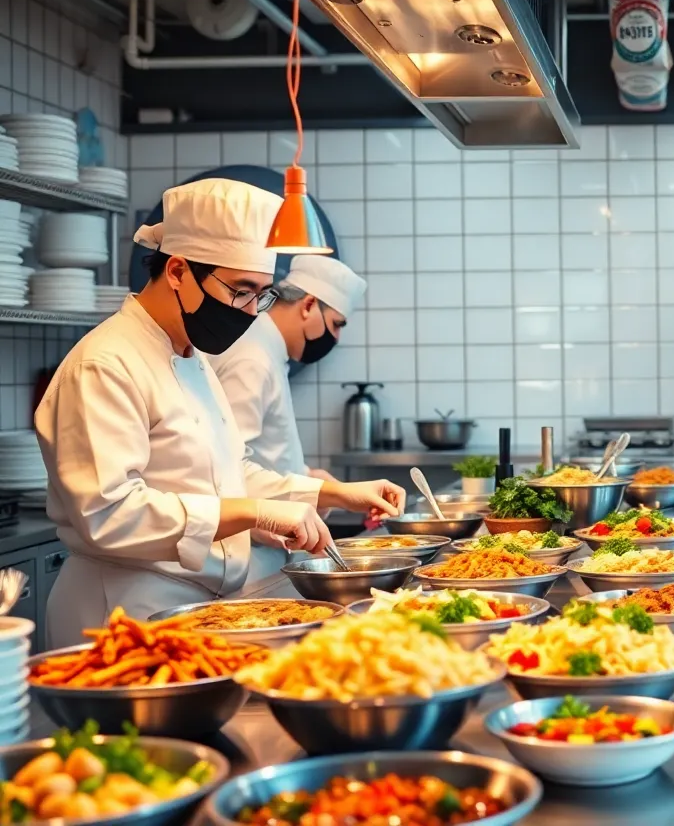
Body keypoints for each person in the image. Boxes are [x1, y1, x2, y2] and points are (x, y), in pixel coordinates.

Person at [35, 178, 405, 647]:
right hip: (123, 614)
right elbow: (110, 512)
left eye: (263, 295)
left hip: (190, 611)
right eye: (242, 291)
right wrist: (254, 514)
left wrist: (326, 494)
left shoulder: (193, 358)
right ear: (177, 271)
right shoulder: (105, 364)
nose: (252, 312)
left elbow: (228, 474)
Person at [210, 254, 366, 481]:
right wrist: (314, 493)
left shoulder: (268, 350)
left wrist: (308, 476)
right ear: (309, 305)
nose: (336, 337)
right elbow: (232, 468)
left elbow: (266, 454)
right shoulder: (253, 359)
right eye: (336, 324)